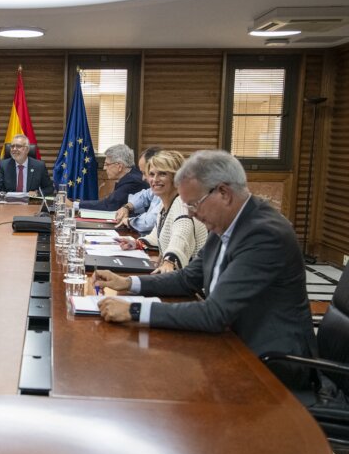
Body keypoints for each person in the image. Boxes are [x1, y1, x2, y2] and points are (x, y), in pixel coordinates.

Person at [95, 149, 315, 389]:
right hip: (231, 344)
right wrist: (129, 284)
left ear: (224, 193)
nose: (191, 213)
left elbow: (214, 314)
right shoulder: (227, 222)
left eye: (194, 205)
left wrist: (134, 311)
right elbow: (188, 278)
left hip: (270, 367)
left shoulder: (264, 234)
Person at [115, 150, 207, 273]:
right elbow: (157, 236)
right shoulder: (165, 204)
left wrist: (169, 261)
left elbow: (181, 234)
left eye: (162, 174)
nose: (155, 179)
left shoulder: (182, 203)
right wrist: (136, 243)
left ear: (176, 178)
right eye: (152, 174)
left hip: (194, 283)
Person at [79, 144, 147, 211]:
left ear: (119, 166)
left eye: (107, 164)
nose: (104, 168)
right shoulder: (131, 176)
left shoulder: (133, 181)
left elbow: (109, 205)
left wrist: (76, 205)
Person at [0, 134, 54, 199]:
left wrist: (37, 193)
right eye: (12, 146)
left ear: (27, 149)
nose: (14, 149)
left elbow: (49, 188)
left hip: (30, 204)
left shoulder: (39, 166)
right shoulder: (4, 165)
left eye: (18, 146)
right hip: (9, 204)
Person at [114, 146, 163, 233]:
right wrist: (127, 207)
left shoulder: (173, 195)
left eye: (146, 173)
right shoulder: (157, 188)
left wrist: (129, 221)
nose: (143, 178)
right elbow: (144, 195)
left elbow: (150, 222)